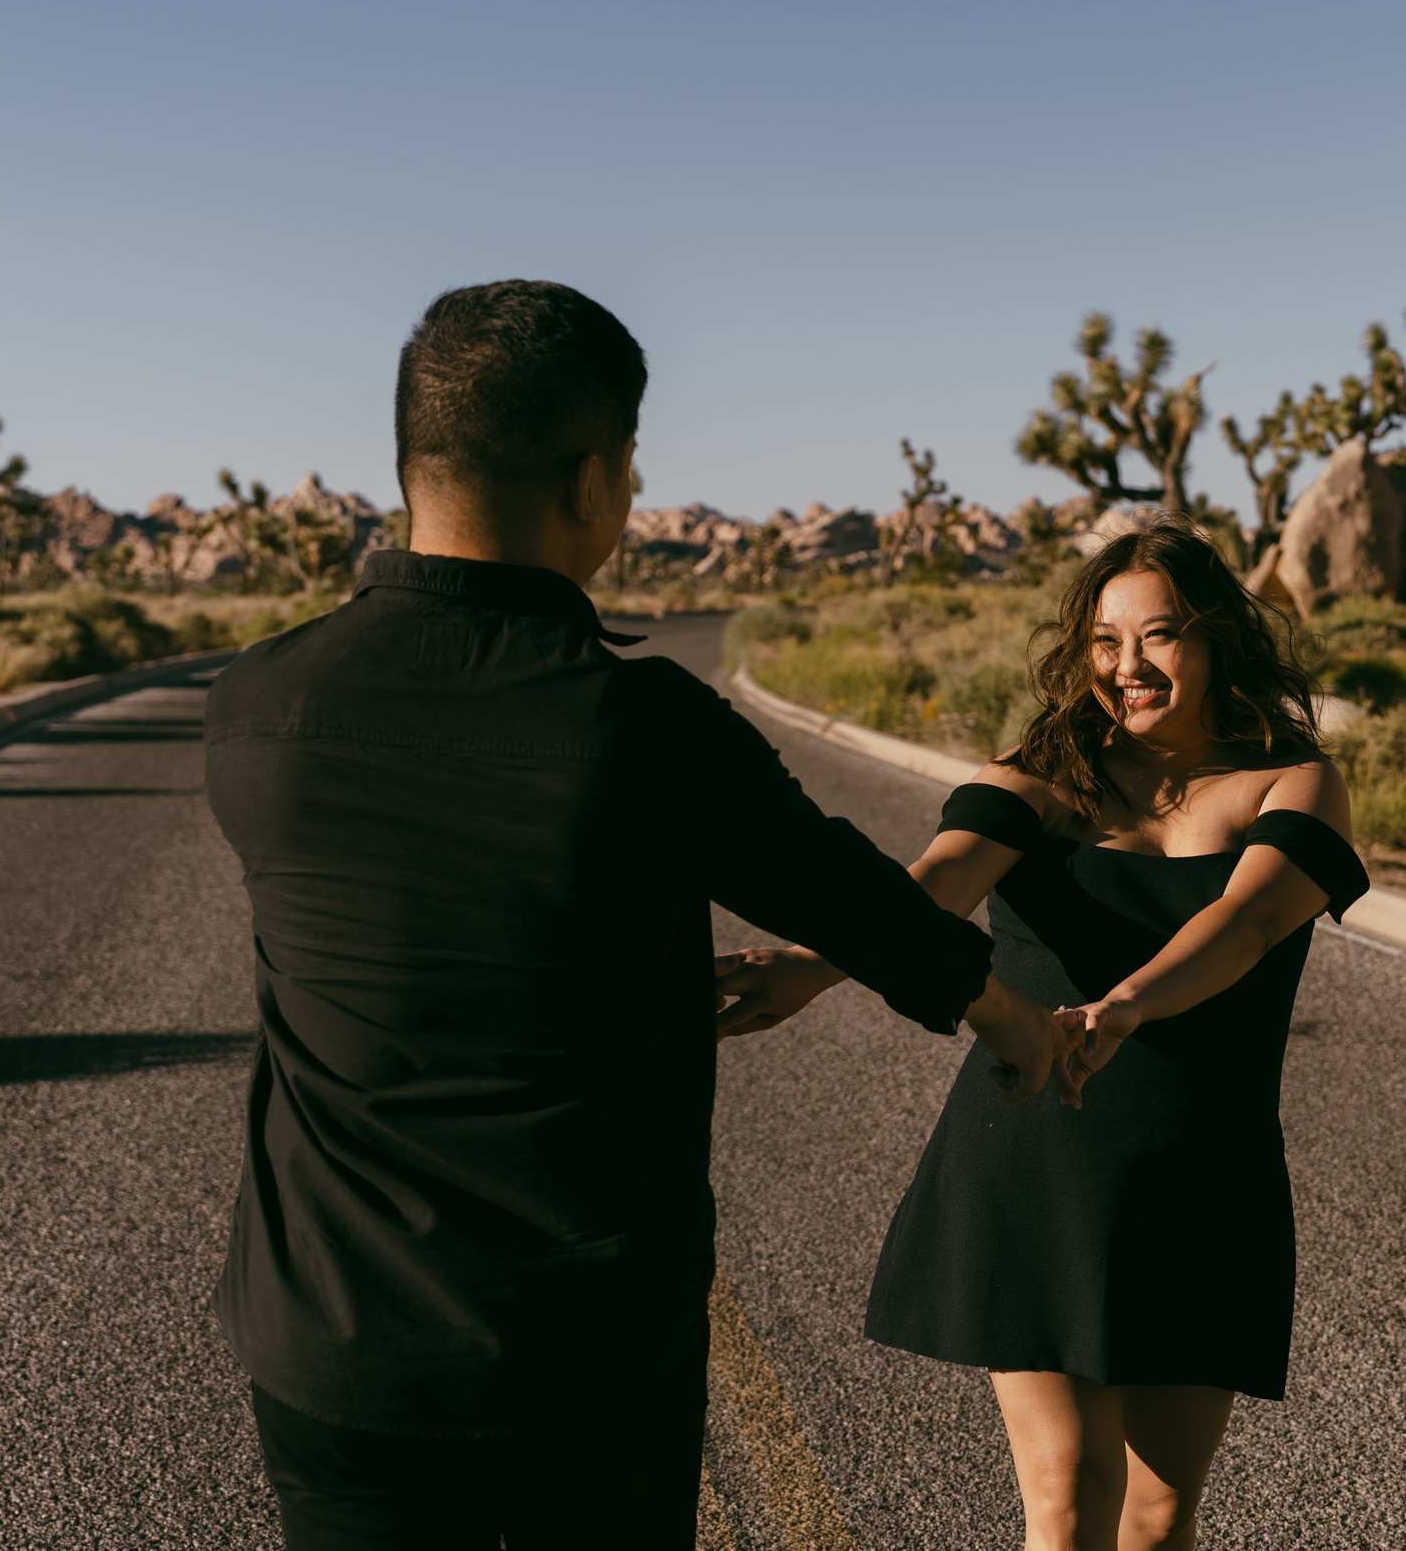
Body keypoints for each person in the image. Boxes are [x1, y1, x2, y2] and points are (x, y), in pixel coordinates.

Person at [200, 279, 1073, 1550]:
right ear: (598, 480)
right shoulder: (648, 732)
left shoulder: (257, 705)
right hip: (586, 1349)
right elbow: (856, 901)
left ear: (408, 464)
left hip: (333, 1343)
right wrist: (1009, 1016)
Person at [720, 519, 1367, 1551]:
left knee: (1157, 1521)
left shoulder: (1293, 783)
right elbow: (932, 885)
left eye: (1159, 637)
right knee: (1065, 1503)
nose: (1128, 666)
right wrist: (809, 963)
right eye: (1106, 643)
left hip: (1200, 1166)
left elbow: (1244, 922)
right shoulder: (1042, 771)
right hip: (1036, 1154)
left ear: (1213, 642)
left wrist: (1125, 1004)